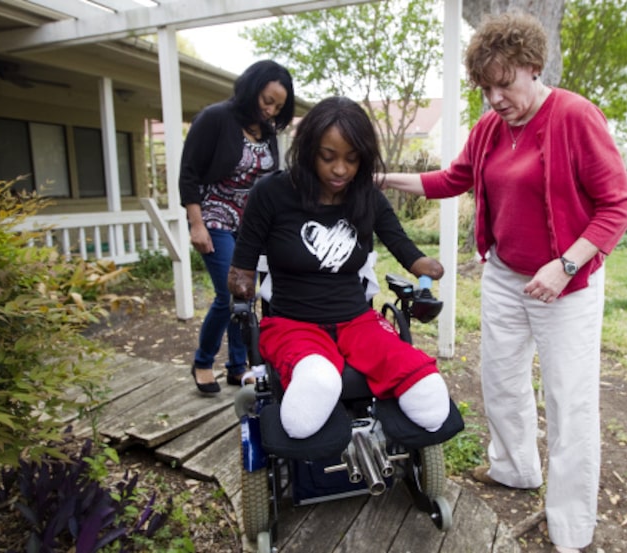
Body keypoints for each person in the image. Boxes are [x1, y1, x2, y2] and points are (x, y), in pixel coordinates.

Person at [378, 11, 627, 553]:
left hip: (567, 285)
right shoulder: (490, 129)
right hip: (504, 276)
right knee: (500, 380)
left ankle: (570, 525)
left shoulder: (575, 117)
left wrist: (565, 264)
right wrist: (379, 177)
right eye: (486, 87)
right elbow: (452, 179)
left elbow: (618, 204)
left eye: (505, 83)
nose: (495, 98)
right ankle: (515, 468)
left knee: (569, 399)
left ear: (531, 66)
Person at [227, 96, 451, 440]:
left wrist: (423, 264)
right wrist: (240, 283)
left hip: (357, 320)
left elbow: (402, 246)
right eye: (328, 157)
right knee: (317, 381)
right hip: (292, 323)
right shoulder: (271, 193)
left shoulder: (367, 198)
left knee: (424, 389)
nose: (341, 170)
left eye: (352, 159)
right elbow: (243, 262)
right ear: (308, 150)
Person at [179, 59, 295, 394]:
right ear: (251, 89)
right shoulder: (216, 118)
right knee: (229, 295)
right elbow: (189, 173)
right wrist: (196, 223)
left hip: (252, 225)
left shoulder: (268, 132)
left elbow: (270, 182)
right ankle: (203, 362)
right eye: (267, 100)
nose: (271, 110)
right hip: (214, 217)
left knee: (248, 295)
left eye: (278, 106)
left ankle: (236, 366)